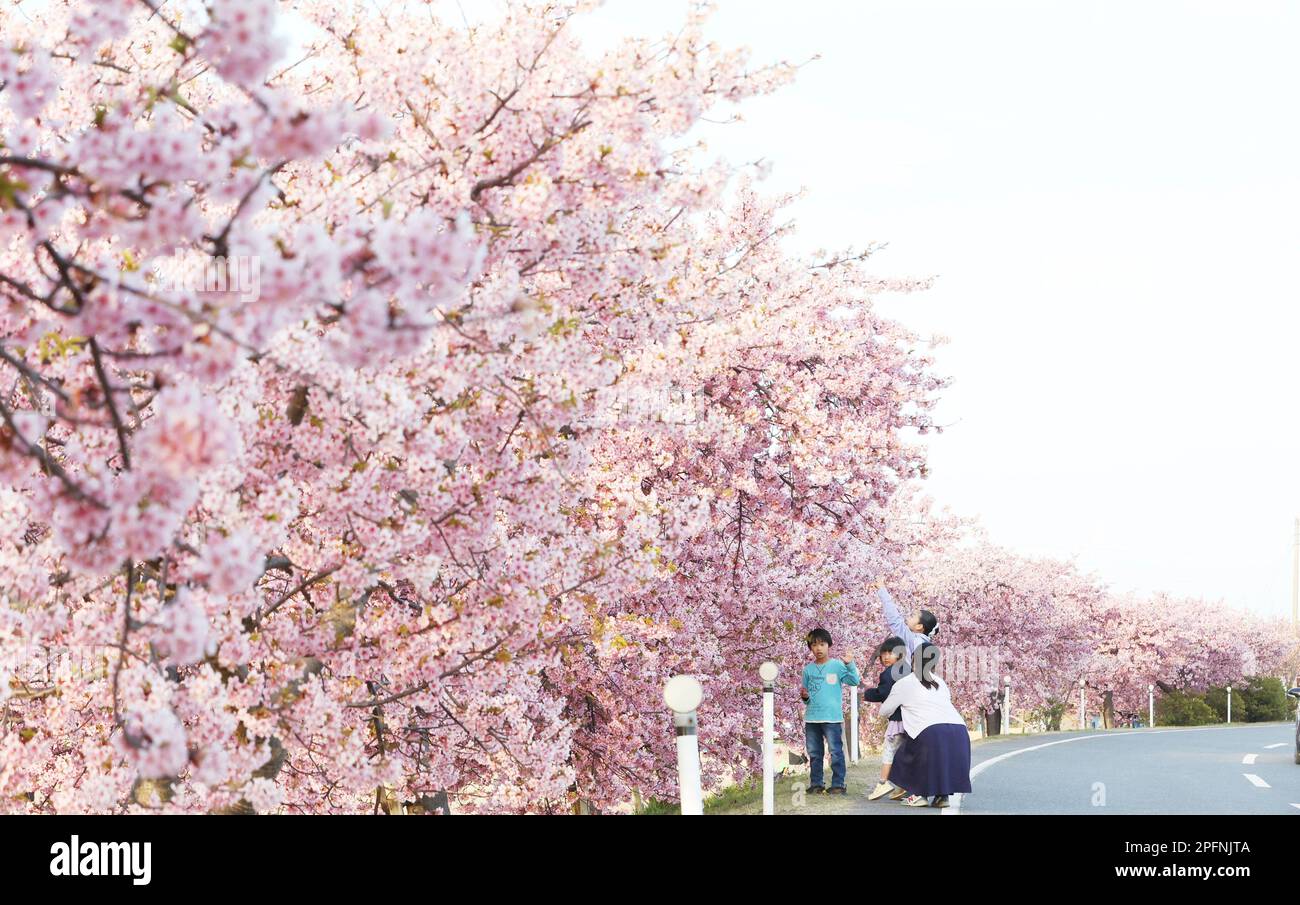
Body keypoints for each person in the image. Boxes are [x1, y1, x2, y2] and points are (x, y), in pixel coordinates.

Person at [878, 641, 972, 808]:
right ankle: (942, 797)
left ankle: (919, 794)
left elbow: (884, 711)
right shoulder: (941, 682)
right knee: (940, 759)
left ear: (913, 659)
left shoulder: (905, 682)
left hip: (930, 730)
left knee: (904, 754)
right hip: (959, 730)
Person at [800, 628, 860, 795]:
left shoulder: (837, 666)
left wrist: (850, 664)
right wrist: (804, 697)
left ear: (829, 645)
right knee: (814, 753)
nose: (818, 648)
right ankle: (816, 784)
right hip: (812, 718)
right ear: (810, 648)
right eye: (814, 645)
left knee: (835, 751)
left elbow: (854, 680)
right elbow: (806, 696)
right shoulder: (808, 670)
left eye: (822, 644)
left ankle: (838, 784)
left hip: (832, 718)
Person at [862, 636, 909, 801]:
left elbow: (883, 693)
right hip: (912, 721)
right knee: (905, 753)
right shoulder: (909, 671)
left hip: (897, 720)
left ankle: (883, 783)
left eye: (891, 653)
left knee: (890, 751)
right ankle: (904, 787)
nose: (886, 656)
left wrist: (866, 693)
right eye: (884, 653)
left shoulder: (888, 673)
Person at [874, 584, 937, 656]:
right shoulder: (925, 644)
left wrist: (882, 590)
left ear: (919, 626)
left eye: (913, 616)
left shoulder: (913, 640)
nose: (908, 617)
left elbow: (895, 620)